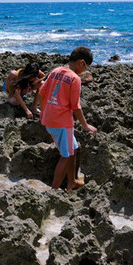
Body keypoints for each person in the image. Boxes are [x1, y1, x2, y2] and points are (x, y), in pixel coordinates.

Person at [33, 46, 98, 190]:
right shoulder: (75, 79)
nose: (84, 71)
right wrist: (86, 125)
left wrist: (43, 112)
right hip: (62, 123)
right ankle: (54, 191)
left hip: (50, 119)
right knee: (66, 156)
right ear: (81, 63)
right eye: (86, 67)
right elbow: (76, 106)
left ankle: (72, 181)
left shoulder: (55, 71)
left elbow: (42, 92)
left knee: (73, 149)